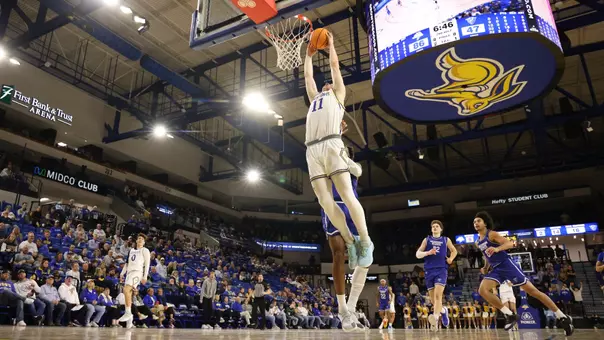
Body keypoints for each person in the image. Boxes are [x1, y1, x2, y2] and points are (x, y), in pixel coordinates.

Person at [304, 31, 374, 284]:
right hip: (312, 148)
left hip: (333, 146)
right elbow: (309, 77)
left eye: (331, 84)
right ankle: (350, 241)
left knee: (346, 194)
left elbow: (334, 66)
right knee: (324, 200)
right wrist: (308, 56)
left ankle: (365, 241)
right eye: (326, 84)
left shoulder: (338, 95)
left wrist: (331, 44)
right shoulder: (315, 99)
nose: (327, 84)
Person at [473, 211, 574, 335]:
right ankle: (509, 315)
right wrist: (485, 266)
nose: (476, 223)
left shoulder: (492, 234)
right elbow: (487, 255)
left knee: (534, 292)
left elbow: (510, 243)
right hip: (496, 270)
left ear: (485, 223)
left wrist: (497, 248)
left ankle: (562, 316)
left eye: (478, 221)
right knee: (482, 290)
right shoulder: (478, 242)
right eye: (474, 222)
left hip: (507, 265)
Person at [320, 153, 367, 331]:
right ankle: (342, 309)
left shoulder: (353, 166)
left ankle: (352, 306)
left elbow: (358, 171)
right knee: (338, 255)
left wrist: (344, 158)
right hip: (333, 206)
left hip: (352, 209)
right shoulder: (325, 164)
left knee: (365, 259)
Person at [416, 220, 457, 330]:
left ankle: (435, 319)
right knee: (433, 301)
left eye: (437, 226)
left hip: (441, 269)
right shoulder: (427, 239)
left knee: (439, 296)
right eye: (433, 226)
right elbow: (418, 254)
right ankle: (444, 311)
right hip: (429, 270)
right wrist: (427, 253)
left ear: (441, 229)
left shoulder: (446, 239)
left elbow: (454, 251)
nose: (434, 228)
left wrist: (451, 259)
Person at [118, 233, 150, 323]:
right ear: (136, 240)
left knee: (126, 289)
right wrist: (121, 274)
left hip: (137, 272)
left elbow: (147, 264)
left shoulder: (145, 250)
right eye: (139, 238)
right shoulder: (131, 250)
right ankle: (130, 321)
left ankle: (128, 313)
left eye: (142, 239)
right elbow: (127, 264)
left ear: (144, 242)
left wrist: (145, 276)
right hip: (129, 273)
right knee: (129, 294)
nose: (140, 240)